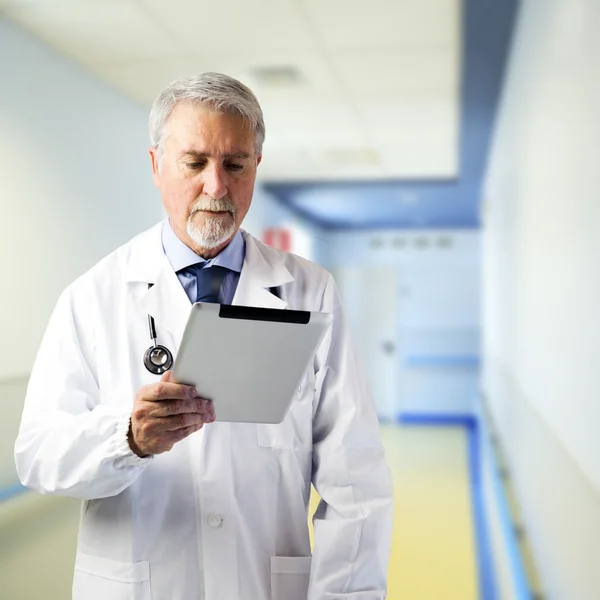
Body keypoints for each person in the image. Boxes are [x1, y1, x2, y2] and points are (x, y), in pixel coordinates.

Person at [14, 73, 393, 600]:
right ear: (156, 166)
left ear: (256, 168)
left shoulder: (311, 292)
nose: (216, 186)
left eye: (234, 164)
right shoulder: (92, 297)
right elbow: (38, 456)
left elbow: (356, 483)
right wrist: (125, 437)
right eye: (194, 163)